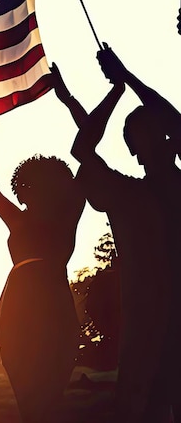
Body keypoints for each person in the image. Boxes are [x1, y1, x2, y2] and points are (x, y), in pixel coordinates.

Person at [70, 44, 181, 423]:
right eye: (146, 133)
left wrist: (126, 78)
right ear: (135, 150)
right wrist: (117, 88)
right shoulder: (129, 196)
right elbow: (82, 148)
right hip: (148, 341)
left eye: (160, 131)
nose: (162, 137)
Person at [0, 126, 84, 423]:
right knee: (30, 400)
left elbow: (86, 161)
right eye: (28, 188)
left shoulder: (67, 216)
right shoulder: (20, 219)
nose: (29, 194)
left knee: (48, 396)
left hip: (51, 307)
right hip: (18, 308)